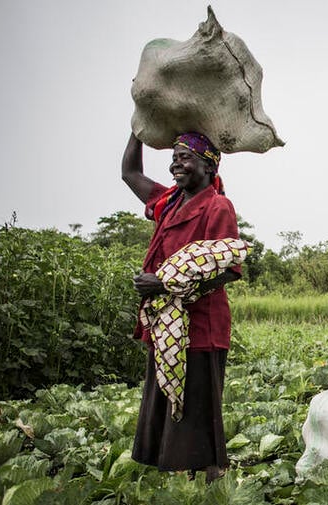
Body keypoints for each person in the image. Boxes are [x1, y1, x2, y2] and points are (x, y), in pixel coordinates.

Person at [121, 131, 242, 483]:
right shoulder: (169, 201)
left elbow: (228, 270)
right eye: (174, 157)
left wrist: (164, 283)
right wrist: (138, 127)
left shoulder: (218, 206)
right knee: (169, 396)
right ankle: (185, 475)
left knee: (199, 404)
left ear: (208, 165)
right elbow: (130, 173)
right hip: (167, 324)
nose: (176, 163)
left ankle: (212, 476)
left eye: (186, 157)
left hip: (201, 323)